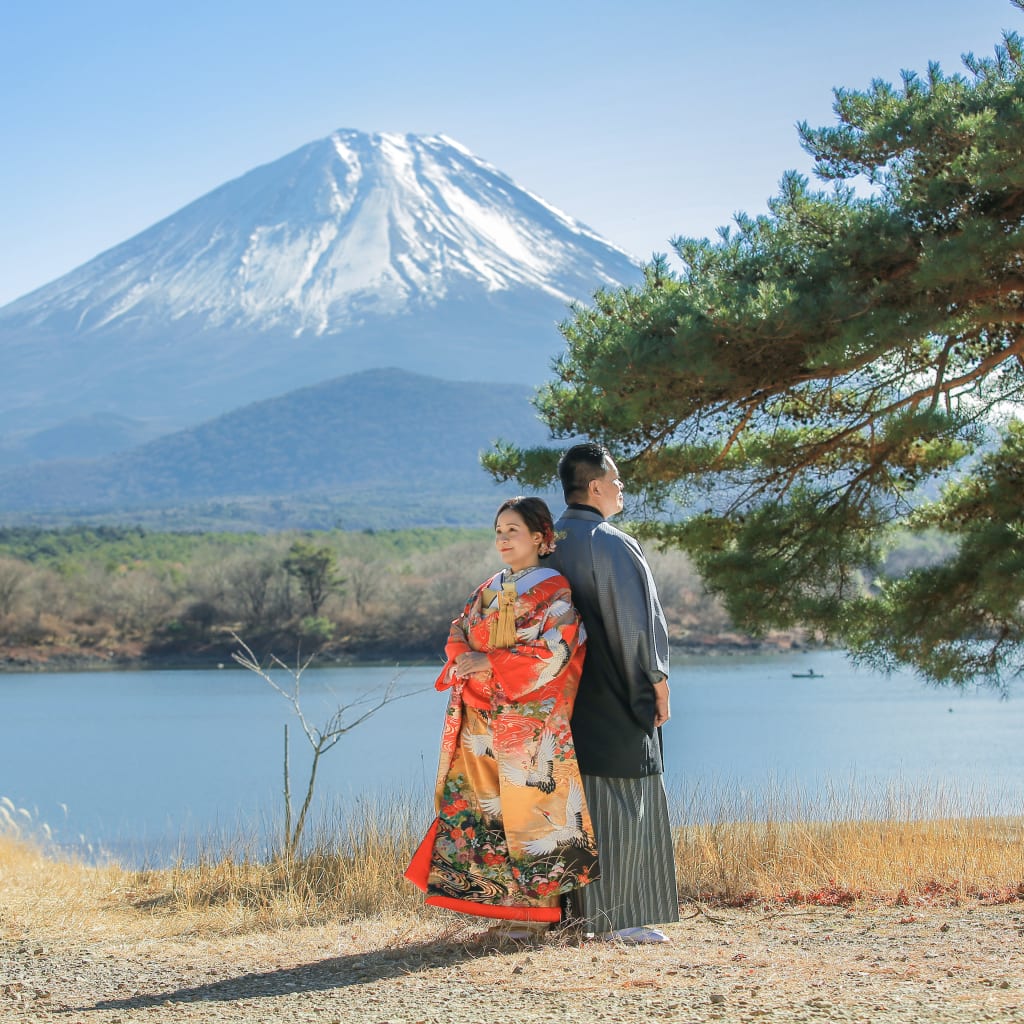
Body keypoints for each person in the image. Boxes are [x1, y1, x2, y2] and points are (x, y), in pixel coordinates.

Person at [405, 496, 598, 938]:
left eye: (513, 530)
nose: (503, 539)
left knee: (533, 814)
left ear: (540, 537)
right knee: (485, 810)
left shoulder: (555, 590)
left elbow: (557, 648)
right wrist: (468, 656)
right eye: (498, 531)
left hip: (529, 720)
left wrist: (489, 661)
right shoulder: (490, 586)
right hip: (481, 715)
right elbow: (459, 629)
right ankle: (503, 910)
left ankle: (537, 915)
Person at [548, 442, 679, 944]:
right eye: (617, 480)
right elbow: (639, 627)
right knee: (625, 797)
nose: (622, 488)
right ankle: (618, 918)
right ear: (596, 486)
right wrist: (656, 684)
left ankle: (565, 917)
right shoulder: (610, 542)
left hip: (556, 699)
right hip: (612, 690)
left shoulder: (544, 542)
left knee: (564, 805)